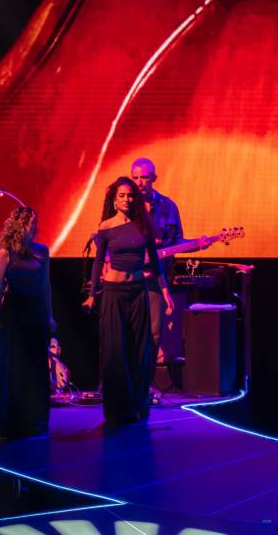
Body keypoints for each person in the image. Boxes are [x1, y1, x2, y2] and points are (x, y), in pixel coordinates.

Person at [82, 177, 173, 424]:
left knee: (139, 349)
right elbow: (98, 263)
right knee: (115, 350)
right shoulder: (106, 227)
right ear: (114, 199)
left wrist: (165, 291)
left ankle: (136, 404)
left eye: (130, 195)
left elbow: (154, 263)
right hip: (114, 292)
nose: (127, 199)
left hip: (138, 291)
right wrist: (92, 295)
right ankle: (116, 409)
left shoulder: (143, 225)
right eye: (122, 195)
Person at [0, 207, 54, 440]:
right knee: (15, 367)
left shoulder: (42, 251)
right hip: (14, 313)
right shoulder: (6, 253)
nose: (34, 227)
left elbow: (45, 286)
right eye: (30, 223)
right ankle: (14, 419)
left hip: (35, 313)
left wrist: (49, 316)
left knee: (35, 368)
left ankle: (34, 418)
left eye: (36, 222)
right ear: (19, 225)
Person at [131, 157, 186, 391]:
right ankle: (130, 381)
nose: (140, 182)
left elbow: (178, 241)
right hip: (130, 279)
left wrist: (199, 243)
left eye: (144, 177)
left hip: (157, 279)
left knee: (155, 332)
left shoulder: (168, 206)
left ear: (154, 178)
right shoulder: (126, 204)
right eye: (135, 177)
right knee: (131, 331)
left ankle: (147, 383)